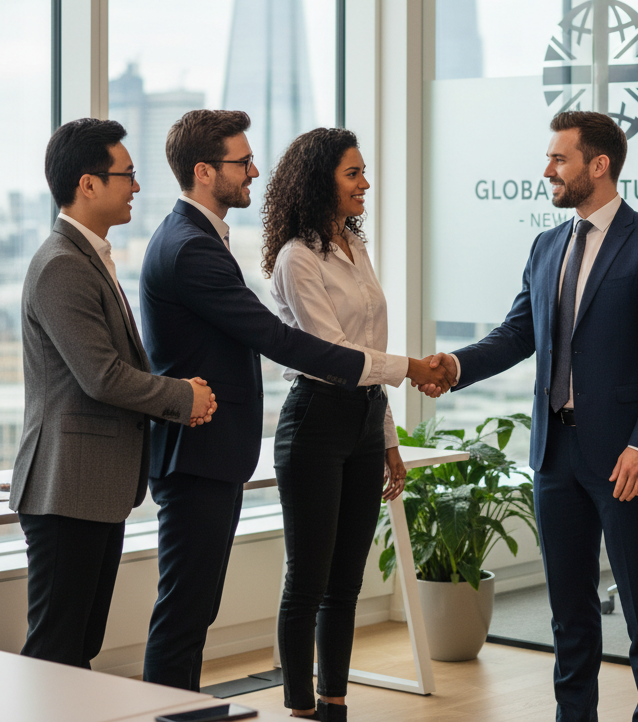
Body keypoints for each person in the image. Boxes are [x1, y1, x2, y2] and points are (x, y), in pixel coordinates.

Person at [139, 110, 449, 691]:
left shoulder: (213, 240)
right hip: (222, 444)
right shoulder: (195, 247)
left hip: (295, 431)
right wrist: (410, 368)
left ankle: (323, 702)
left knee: (204, 610)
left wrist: (385, 433)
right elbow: (289, 342)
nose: (254, 169)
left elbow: (357, 344)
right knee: (193, 611)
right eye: (242, 160)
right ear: (205, 171)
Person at [427, 110, 638, 722]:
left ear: (598, 166)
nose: (547, 169)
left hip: (625, 455)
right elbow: (519, 332)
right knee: (569, 611)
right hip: (554, 455)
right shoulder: (548, 245)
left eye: (559, 158)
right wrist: (455, 366)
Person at [11, 118, 216, 669]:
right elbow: (101, 375)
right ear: (89, 184)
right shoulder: (61, 266)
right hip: (66, 486)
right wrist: (181, 396)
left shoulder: (88, 257)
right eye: (126, 175)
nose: (137, 186)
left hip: (92, 486)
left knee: (80, 647)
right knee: (55, 651)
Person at [262, 128, 410, 722]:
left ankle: (335, 705)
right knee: (308, 580)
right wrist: (413, 370)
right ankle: (300, 708)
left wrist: (389, 441)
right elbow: (335, 351)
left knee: (346, 582)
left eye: (364, 172)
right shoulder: (297, 257)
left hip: (363, 420)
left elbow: (371, 346)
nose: (365, 184)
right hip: (315, 423)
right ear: (321, 179)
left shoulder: (353, 245)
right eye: (353, 174)